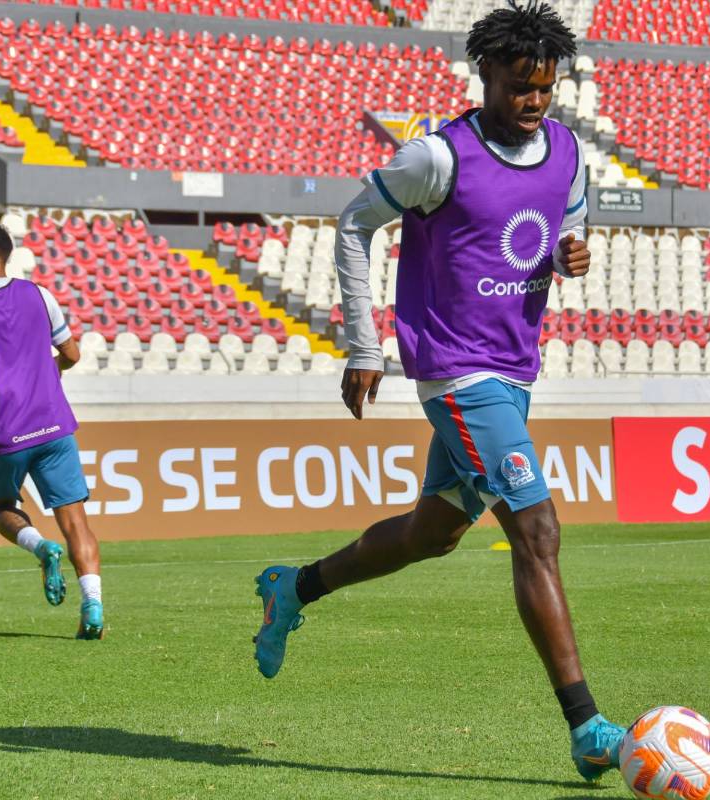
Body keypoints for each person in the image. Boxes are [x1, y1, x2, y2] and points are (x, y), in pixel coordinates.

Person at [252, 0, 625, 781]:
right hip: (456, 371)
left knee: (434, 534)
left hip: (515, 370)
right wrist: (364, 345)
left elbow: (565, 224)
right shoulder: (436, 157)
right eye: (520, 85)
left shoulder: (565, 151)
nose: (534, 101)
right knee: (538, 530)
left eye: (545, 87)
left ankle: (295, 587)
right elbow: (354, 226)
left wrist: (568, 254)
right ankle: (586, 726)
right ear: (485, 73)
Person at [0, 222, 104, 640]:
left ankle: (41, 547)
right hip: (54, 426)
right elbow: (71, 353)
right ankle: (93, 604)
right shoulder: (39, 294)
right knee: (76, 522)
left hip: (4, 431)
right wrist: (46, 372)